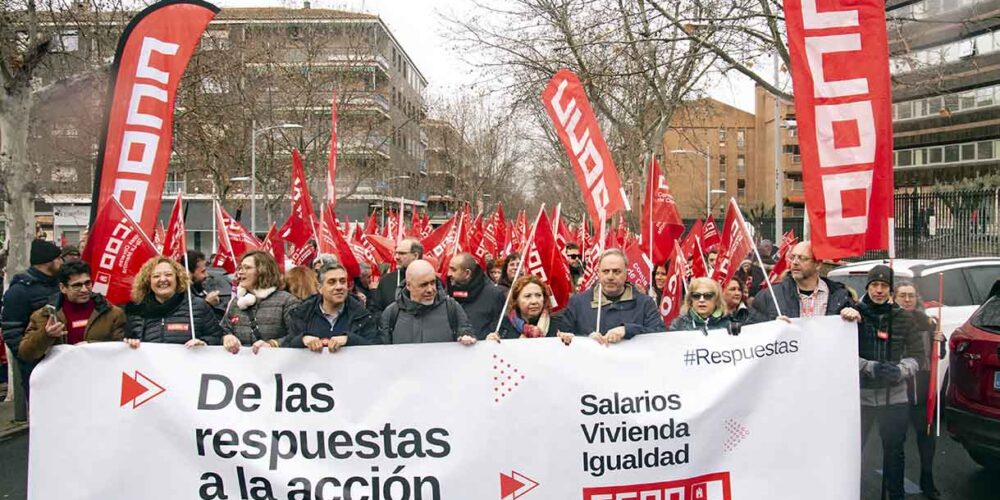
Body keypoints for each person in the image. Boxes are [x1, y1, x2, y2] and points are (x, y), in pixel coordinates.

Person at [840, 265, 924, 500]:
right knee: (854, 452)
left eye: (884, 286)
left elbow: (918, 355)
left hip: (894, 396)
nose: (879, 290)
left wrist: (900, 370)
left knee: (895, 452)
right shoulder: (853, 314)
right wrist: (869, 367)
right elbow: (840, 353)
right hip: (861, 397)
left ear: (890, 289)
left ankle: (895, 495)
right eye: (874, 285)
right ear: (867, 287)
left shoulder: (902, 317)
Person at [19, 261, 125, 362]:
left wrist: (90, 346)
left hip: (100, 376)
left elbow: (120, 349)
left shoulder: (112, 314)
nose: (84, 289)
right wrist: (46, 335)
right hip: (61, 377)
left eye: (87, 283)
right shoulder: (44, 316)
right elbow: (26, 354)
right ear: (63, 288)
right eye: (77, 285)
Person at [895, 281, 944, 499]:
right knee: (896, 442)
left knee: (926, 438)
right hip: (897, 393)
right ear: (894, 298)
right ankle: (894, 484)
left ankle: (927, 479)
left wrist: (940, 340)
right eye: (903, 296)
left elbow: (938, 354)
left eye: (911, 296)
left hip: (923, 392)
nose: (907, 300)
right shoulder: (889, 321)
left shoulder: (927, 322)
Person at [554, 249, 665, 346]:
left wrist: (627, 330)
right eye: (606, 271)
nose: (610, 277)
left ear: (626, 273)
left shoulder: (645, 303)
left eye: (616, 271)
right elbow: (560, 334)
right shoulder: (578, 302)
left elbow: (659, 334)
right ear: (598, 273)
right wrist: (577, 339)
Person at [1, 239, 63, 403]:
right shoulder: (19, 291)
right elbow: (12, 332)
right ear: (48, 261)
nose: (61, 262)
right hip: (37, 366)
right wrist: (28, 359)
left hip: (62, 361)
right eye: (58, 258)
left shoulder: (59, 285)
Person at [124, 256, 221, 347]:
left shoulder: (197, 306)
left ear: (178, 278)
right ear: (148, 281)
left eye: (168, 275)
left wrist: (204, 343)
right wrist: (131, 343)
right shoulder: (137, 311)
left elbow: (217, 337)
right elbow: (129, 342)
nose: (163, 279)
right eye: (156, 276)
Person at [285, 261, 380, 351]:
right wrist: (302, 340)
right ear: (320, 288)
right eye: (332, 282)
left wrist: (350, 339)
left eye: (342, 281)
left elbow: (375, 349)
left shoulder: (361, 315)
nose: (339, 287)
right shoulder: (302, 314)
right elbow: (286, 347)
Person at [748, 241, 852, 323]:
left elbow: (860, 338)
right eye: (792, 257)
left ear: (818, 264)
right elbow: (752, 330)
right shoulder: (770, 296)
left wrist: (857, 319)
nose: (795, 262)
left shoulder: (840, 296)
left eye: (802, 258)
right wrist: (772, 326)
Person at [379, 259, 475, 345]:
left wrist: (465, 336)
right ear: (408, 285)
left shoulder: (451, 307)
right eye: (423, 285)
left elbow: (466, 330)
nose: (430, 289)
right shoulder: (391, 313)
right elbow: (384, 350)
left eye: (433, 282)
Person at [221, 251, 299, 354]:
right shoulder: (237, 302)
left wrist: (273, 344)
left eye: (247, 268)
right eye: (240, 268)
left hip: (276, 366)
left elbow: (298, 335)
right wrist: (226, 337)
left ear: (263, 271)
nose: (240, 272)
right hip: (242, 366)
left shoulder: (287, 301)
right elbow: (223, 330)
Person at [447, 252, 506, 338]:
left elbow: (501, 326)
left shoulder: (494, 295)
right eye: (449, 269)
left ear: (467, 273)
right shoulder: (447, 293)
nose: (449, 274)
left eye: (453, 270)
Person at [487, 275, 554, 340]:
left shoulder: (559, 324)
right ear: (516, 300)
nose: (534, 301)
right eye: (527, 296)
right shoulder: (500, 328)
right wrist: (490, 344)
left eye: (538, 295)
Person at [371, 238, 422, 314]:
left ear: (415, 256)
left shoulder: (431, 281)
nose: (397, 257)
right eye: (396, 253)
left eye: (402, 253)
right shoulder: (386, 281)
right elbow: (376, 311)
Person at [667, 278, 734, 333]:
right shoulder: (678, 325)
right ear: (690, 300)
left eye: (708, 295)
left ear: (717, 299)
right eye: (696, 296)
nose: (701, 300)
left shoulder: (729, 323)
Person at [186, 250, 226, 319]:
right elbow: (189, 319)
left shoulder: (198, 290)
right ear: (189, 273)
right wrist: (207, 303)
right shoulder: (180, 295)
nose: (206, 275)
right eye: (203, 271)